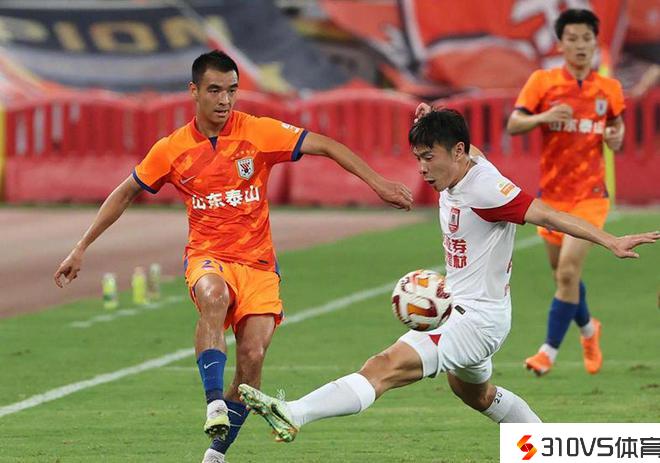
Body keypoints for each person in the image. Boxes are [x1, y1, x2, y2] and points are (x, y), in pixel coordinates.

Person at [53, 50, 412, 463]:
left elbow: (326, 145)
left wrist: (378, 183)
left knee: (252, 361)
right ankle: (213, 403)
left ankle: (215, 454)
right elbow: (126, 191)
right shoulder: (171, 149)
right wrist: (81, 246)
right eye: (214, 90)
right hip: (208, 256)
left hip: (258, 265)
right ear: (194, 91)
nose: (224, 100)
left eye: (232, 90)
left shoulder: (258, 132)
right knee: (214, 296)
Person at [238, 108, 658, 449]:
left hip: (476, 320)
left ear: (457, 152)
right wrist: (432, 115)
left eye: (429, 157)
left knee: (383, 367)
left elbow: (548, 215)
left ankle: (295, 412)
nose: (422, 169)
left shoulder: (488, 190)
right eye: (418, 158)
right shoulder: (462, 163)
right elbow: (466, 146)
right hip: (465, 311)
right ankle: (549, 449)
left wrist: (609, 240)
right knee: (477, 395)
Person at [506, 9, 626, 376]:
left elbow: (617, 131)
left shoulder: (609, 89)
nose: (580, 45)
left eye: (586, 38)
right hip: (553, 198)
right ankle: (589, 329)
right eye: (572, 39)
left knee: (569, 271)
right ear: (560, 44)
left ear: (595, 43)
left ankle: (547, 352)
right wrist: (543, 118)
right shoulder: (543, 82)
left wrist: (615, 138)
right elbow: (514, 123)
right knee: (563, 275)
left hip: (590, 196)